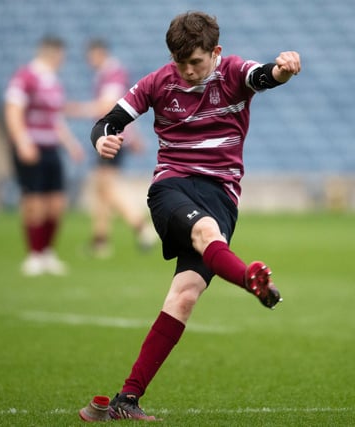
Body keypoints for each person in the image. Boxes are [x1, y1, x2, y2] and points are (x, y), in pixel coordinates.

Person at [78, 11, 301, 421]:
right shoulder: (158, 82)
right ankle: (249, 279)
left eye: (195, 62)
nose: (186, 71)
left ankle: (127, 400)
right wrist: (103, 141)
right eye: (179, 62)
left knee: (183, 297)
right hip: (172, 189)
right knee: (204, 231)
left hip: (221, 196)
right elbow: (107, 121)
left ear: (215, 52)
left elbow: (265, 76)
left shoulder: (233, 71)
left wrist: (284, 68)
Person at [66, 39, 156, 258]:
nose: (89, 61)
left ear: (99, 53)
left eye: (91, 56)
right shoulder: (107, 74)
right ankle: (100, 240)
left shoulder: (112, 74)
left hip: (111, 137)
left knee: (107, 187)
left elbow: (110, 106)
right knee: (100, 189)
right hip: (112, 135)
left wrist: (76, 109)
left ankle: (142, 227)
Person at [4, 35, 84, 276]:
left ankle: (47, 252)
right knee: (35, 202)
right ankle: (34, 254)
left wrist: (70, 144)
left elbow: (55, 118)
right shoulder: (26, 76)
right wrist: (22, 141)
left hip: (51, 148)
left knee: (56, 203)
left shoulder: (54, 81)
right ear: (52, 53)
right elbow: (13, 110)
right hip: (31, 146)